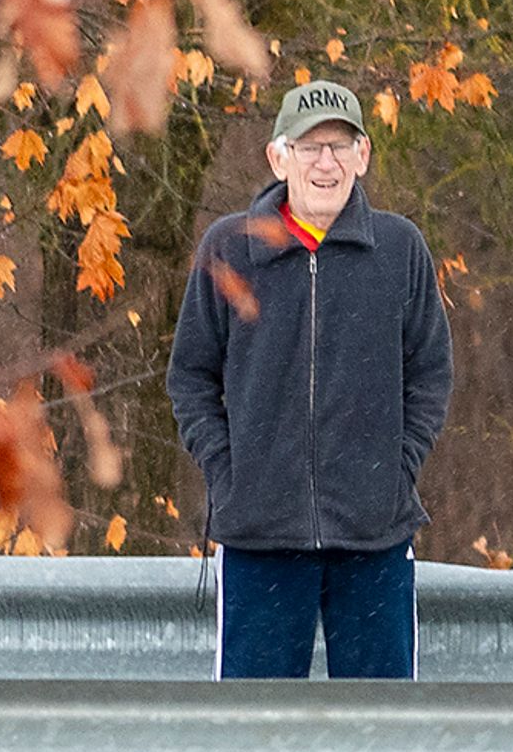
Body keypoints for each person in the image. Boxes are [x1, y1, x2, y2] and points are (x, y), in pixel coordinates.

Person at [165, 78, 453, 679]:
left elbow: (429, 375)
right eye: (309, 147)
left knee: (379, 734)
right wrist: (230, 474)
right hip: (260, 542)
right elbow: (190, 377)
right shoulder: (231, 248)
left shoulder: (399, 250)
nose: (327, 163)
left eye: (341, 146)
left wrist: (395, 472)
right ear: (278, 156)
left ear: (363, 155)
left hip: (373, 541)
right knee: (254, 737)